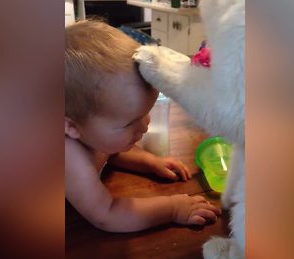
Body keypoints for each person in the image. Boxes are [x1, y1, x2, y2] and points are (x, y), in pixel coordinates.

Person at [65, 20, 220, 232]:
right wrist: (174, 208)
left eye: (146, 113)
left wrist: (149, 162)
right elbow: (107, 214)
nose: (146, 126)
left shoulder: (90, 129)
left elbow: (109, 154)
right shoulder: (69, 158)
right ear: (71, 127)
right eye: (130, 122)